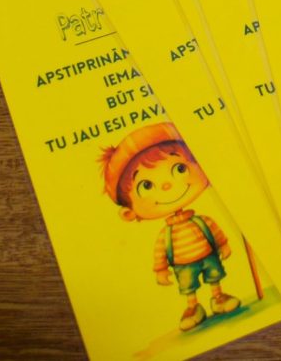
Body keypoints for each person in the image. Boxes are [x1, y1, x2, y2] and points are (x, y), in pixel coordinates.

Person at [100, 122, 240, 331]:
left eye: (180, 168)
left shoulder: (201, 221)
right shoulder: (165, 235)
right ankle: (193, 308)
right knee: (188, 286)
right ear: (129, 213)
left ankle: (218, 297)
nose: (167, 186)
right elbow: (160, 252)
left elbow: (215, 232)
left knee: (215, 276)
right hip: (183, 265)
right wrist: (161, 270)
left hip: (208, 255)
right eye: (146, 185)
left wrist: (224, 245)